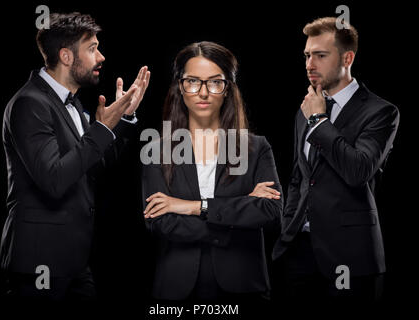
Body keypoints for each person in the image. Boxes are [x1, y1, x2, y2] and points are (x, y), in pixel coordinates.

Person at [0, 12, 150, 301]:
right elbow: (54, 179)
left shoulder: (71, 102)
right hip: (38, 264)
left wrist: (125, 118)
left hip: (74, 260)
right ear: (66, 56)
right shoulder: (29, 104)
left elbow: (95, 164)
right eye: (92, 48)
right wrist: (103, 128)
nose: (101, 56)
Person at [141, 41, 282, 303]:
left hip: (244, 286)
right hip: (177, 289)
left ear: (228, 89)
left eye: (215, 82)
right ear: (180, 87)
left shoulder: (256, 148)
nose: (203, 92)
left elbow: (270, 212)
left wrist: (193, 207)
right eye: (193, 81)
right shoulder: (157, 150)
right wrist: (236, 217)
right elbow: (158, 220)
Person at [272, 17, 399, 302]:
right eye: (307, 55)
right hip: (297, 252)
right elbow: (298, 177)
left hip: (350, 256)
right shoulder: (304, 109)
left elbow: (358, 170)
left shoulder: (381, 112)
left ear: (347, 57)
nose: (309, 64)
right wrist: (288, 227)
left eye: (320, 55)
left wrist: (318, 120)